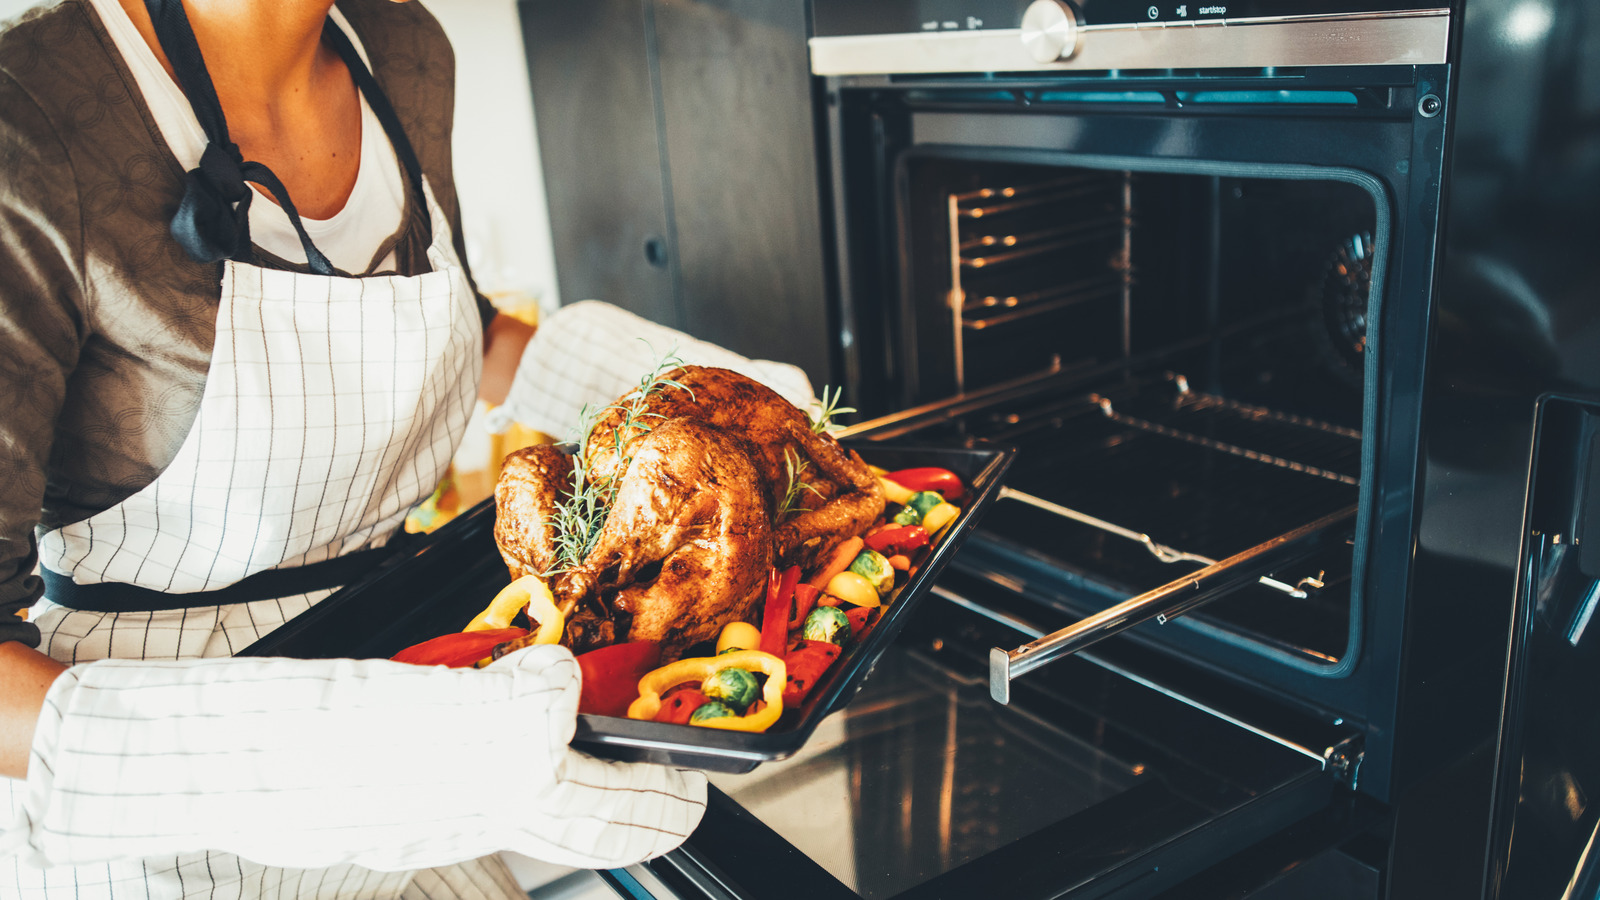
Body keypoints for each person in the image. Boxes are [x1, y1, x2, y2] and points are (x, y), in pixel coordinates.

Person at [0, 0, 707, 897]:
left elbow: (468, 331)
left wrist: (701, 401)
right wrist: (384, 759)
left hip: (420, 678)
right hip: (165, 811)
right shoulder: (29, 112)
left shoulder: (404, 47)